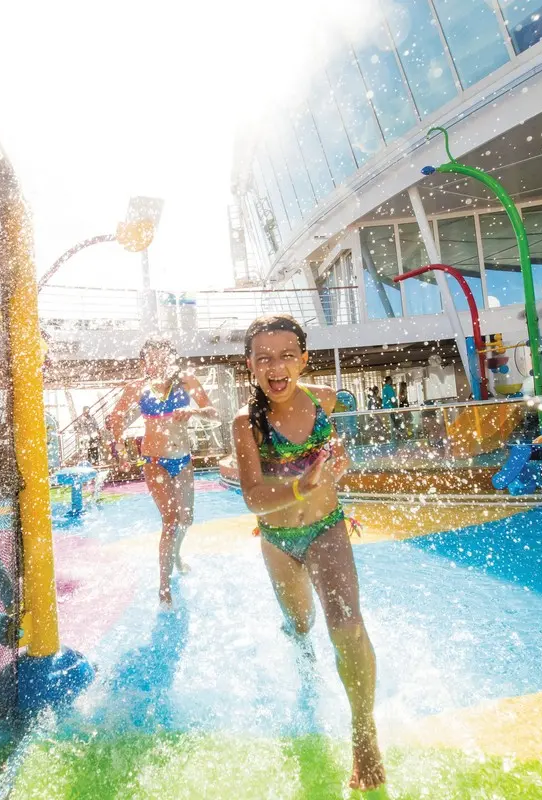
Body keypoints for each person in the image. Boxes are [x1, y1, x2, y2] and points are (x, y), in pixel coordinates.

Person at [231, 314, 385, 792]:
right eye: (263, 358)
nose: (275, 367)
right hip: (279, 541)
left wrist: (340, 455)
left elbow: (337, 441)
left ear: (303, 360)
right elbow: (253, 497)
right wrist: (303, 484)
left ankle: (364, 734)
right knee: (301, 626)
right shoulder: (247, 423)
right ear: (250, 365)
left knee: (347, 625)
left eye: (286, 356)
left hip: (326, 529)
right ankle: (302, 658)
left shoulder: (323, 400)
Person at [109, 338, 216, 605]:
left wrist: (193, 411)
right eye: (152, 358)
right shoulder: (137, 387)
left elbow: (213, 413)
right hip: (155, 461)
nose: (157, 363)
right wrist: (121, 449)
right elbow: (116, 416)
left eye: (162, 357)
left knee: (187, 519)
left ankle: (176, 555)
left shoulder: (187, 381)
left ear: (171, 359)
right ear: (145, 362)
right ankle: (164, 587)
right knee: (170, 520)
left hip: (183, 460)